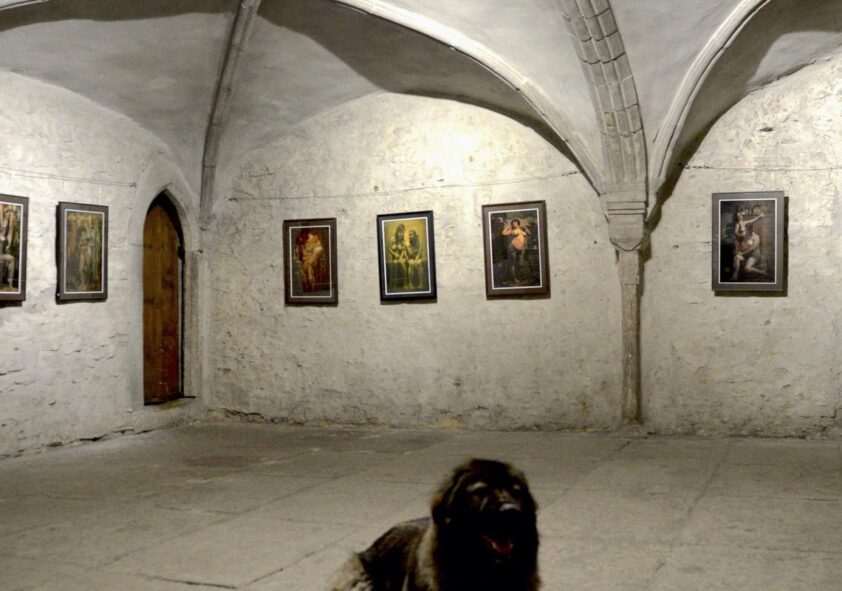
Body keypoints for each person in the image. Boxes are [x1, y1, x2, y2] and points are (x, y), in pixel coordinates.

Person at [502, 218, 530, 284]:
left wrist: (525, 228)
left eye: (515, 223)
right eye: (513, 223)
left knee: (519, 263)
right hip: (512, 247)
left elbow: (528, 234)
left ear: (518, 224)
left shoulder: (521, 230)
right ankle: (514, 278)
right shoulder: (512, 230)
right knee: (512, 263)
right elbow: (503, 233)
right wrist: (507, 227)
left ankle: (516, 277)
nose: (514, 224)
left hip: (520, 248)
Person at [387, 223, 408, 289]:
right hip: (395, 258)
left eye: (402, 232)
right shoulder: (393, 239)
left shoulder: (403, 241)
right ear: (397, 231)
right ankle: (394, 283)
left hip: (402, 257)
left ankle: (405, 282)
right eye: (399, 232)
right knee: (395, 263)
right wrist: (394, 254)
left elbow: (404, 251)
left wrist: (400, 258)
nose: (401, 234)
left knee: (401, 263)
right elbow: (389, 249)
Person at [0, 204, 16, 290]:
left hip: (1, 255)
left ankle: (10, 283)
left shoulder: (4, 233)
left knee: (12, 259)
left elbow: (6, 227)